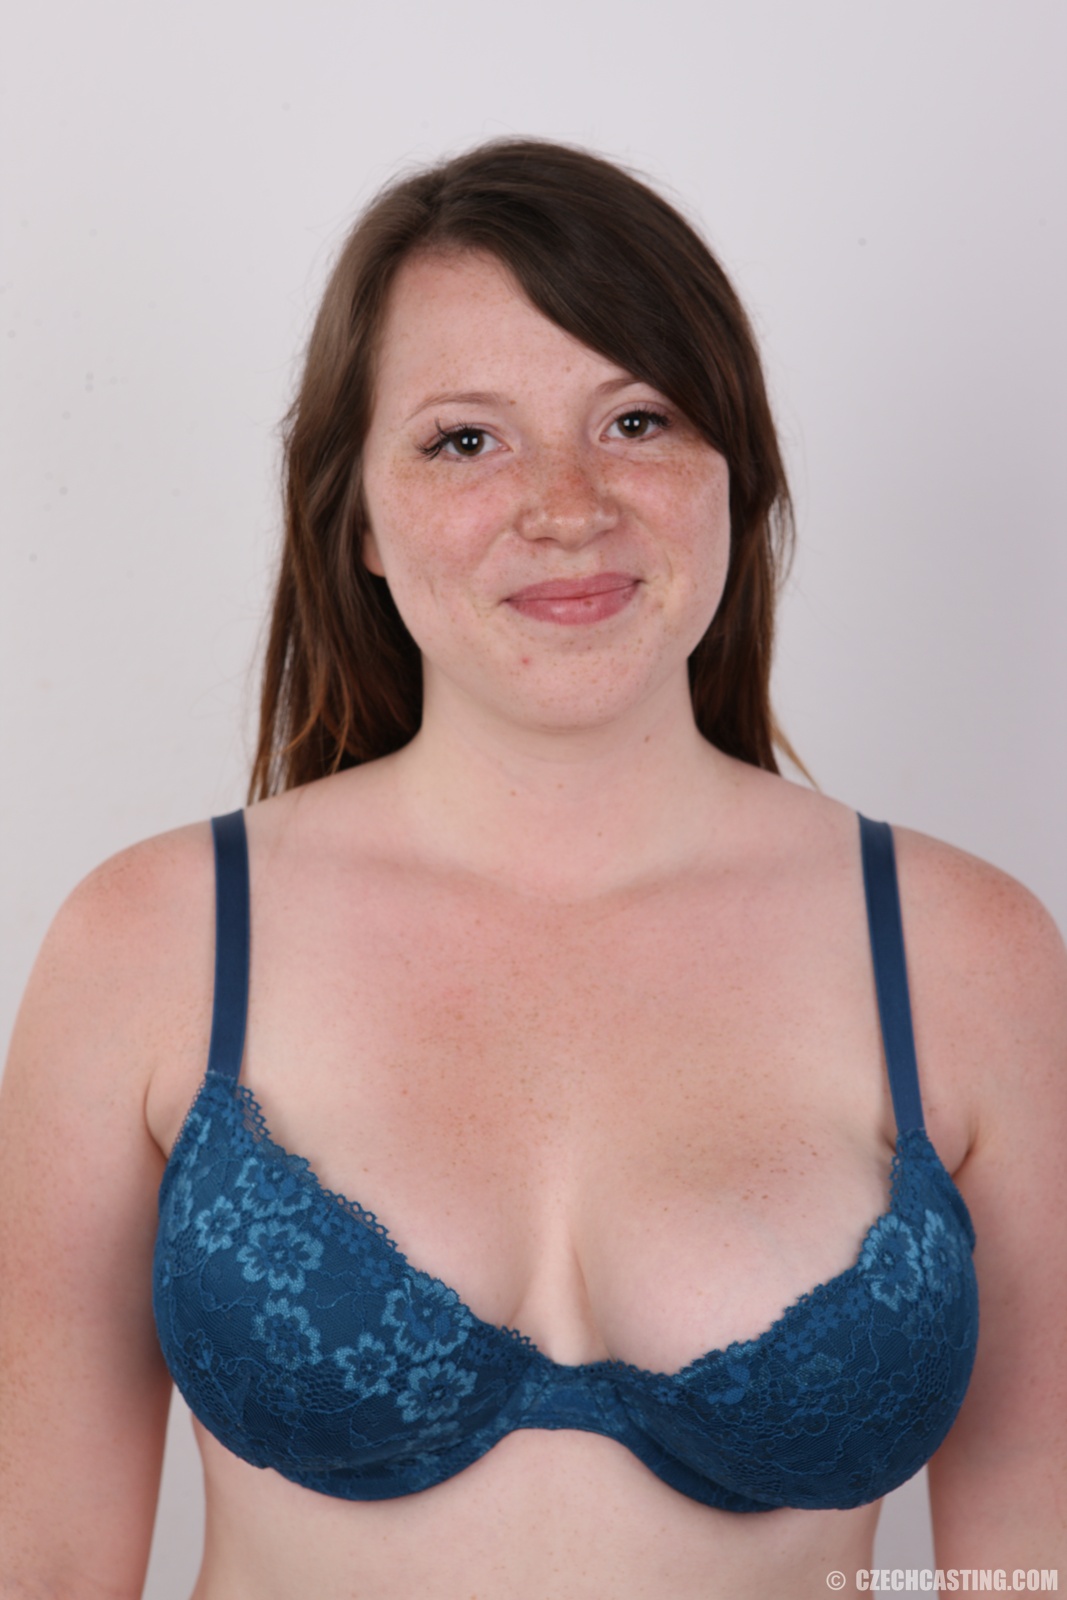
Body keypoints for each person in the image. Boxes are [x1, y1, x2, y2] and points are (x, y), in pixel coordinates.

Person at [1, 138, 1064, 1600]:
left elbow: (1029, 1574)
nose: (569, 505)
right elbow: (46, 1566)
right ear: (357, 516)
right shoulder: (151, 942)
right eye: (465, 441)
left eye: (637, 420)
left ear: (735, 476)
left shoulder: (968, 954)